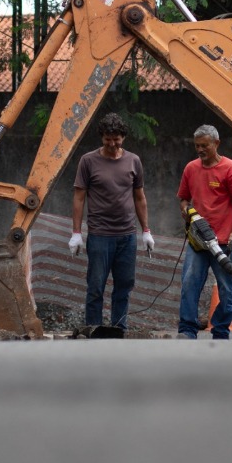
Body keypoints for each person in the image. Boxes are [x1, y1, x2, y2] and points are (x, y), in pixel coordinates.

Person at [68, 112, 155, 330]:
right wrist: (76, 233)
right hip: (99, 235)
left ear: (123, 137)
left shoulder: (133, 161)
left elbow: (139, 197)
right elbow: (79, 197)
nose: (112, 144)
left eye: (116, 139)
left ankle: (119, 329)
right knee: (96, 286)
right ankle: (94, 329)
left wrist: (145, 230)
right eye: (108, 139)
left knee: (124, 285)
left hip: (127, 235)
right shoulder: (88, 161)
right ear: (101, 137)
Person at [176, 124, 232, 340]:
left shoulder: (231, 169)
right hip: (198, 241)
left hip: (225, 241)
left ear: (216, 143)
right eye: (197, 146)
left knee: (226, 290)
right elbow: (183, 198)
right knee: (189, 282)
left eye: (204, 145)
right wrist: (186, 211)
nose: (200, 150)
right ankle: (187, 330)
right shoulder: (191, 168)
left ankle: (221, 330)